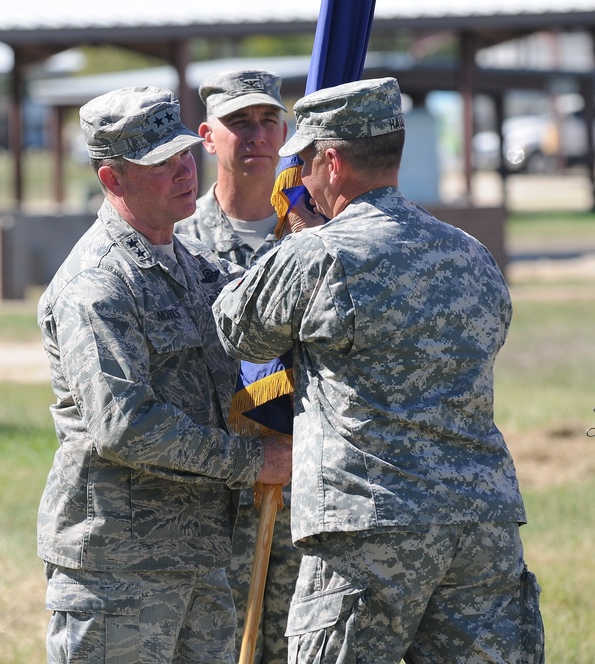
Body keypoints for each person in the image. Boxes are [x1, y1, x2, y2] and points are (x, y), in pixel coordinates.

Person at [212, 77, 544, 664]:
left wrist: (296, 238)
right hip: (479, 524)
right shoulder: (469, 252)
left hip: (367, 529)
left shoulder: (320, 255)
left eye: (305, 160)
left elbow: (237, 328)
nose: (300, 175)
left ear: (332, 162)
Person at [36, 86, 292, 663]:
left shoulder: (193, 269)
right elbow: (124, 427)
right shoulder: (97, 285)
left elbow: (263, 335)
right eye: (159, 163)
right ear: (113, 180)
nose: (183, 170)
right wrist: (256, 461)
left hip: (202, 559)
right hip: (120, 571)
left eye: (183, 153)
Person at [174, 68, 302, 664]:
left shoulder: (313, 236)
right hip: (214, 498)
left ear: (285, 130)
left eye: (267, 121)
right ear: (207, 135)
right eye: (238, 123)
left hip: (305, 488)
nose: (255, 136)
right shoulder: (176, 242)